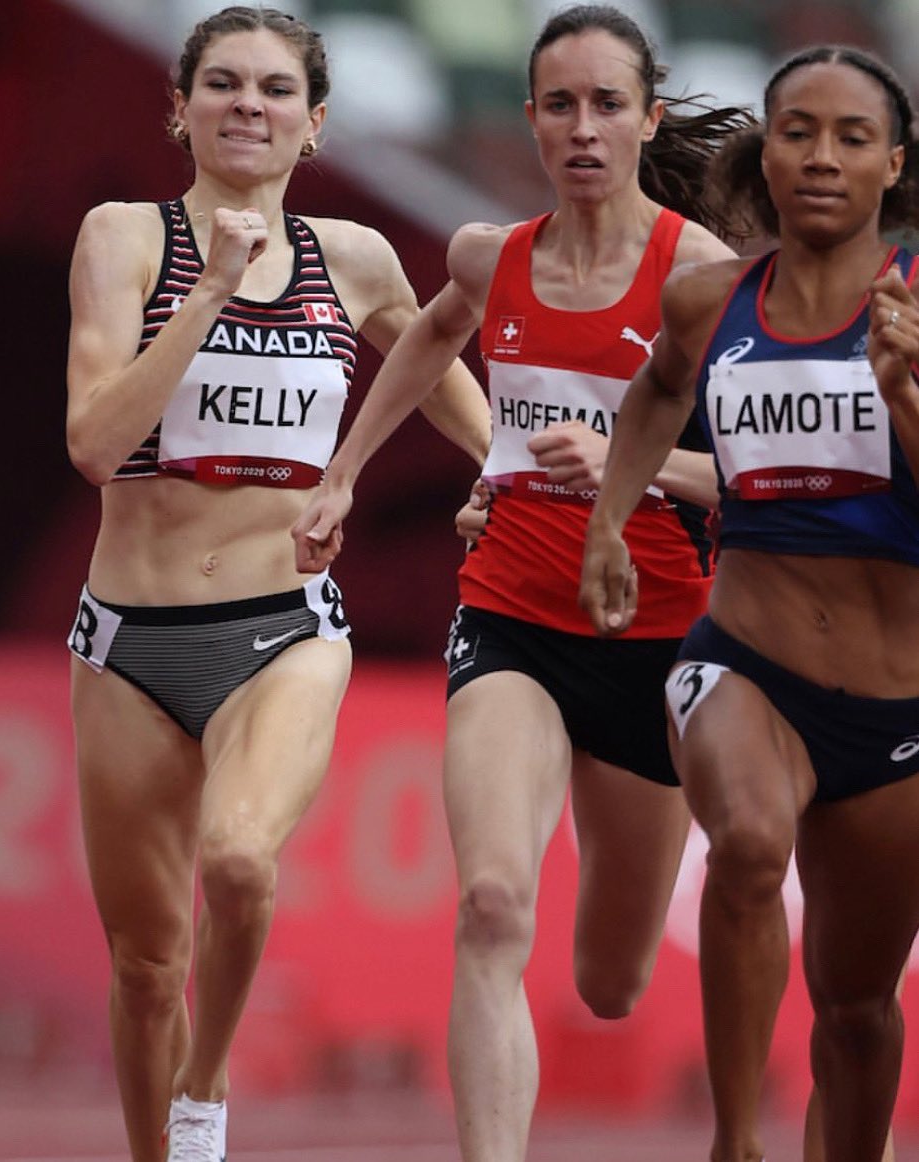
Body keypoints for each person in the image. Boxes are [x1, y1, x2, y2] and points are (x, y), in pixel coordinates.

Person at [293, 7, 751, 1159]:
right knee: (492, 906)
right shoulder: (488, 256)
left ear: (648, 119)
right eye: (559, 105)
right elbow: (429, 334)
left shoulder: (701, 278)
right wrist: (343, 472)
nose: (582, 129)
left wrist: (629, 462)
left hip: (657, 644)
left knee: (609, 977)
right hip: (512, 620)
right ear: (531, 120)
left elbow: (762, 478)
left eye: (606, 105)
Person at [63, 8, 490, 1162]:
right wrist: (206, 292)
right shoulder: (122, 238)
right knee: (149, 964)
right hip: (126, 642)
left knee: (241, 860)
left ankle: (207, 1087)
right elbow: (97, 445)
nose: (247, 103)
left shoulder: (352, 258)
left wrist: (500, 467)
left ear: (314, 124)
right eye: (223, 83)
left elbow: (429, 349)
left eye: (274, 88)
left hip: (281, 626)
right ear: (181, 106)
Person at [580, 42, 919, 1162]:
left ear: (892, 165)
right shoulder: (705, 301)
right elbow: (650, 400)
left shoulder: (916, 305)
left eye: (851, 138)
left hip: (893, 706)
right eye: (797, 132)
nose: (821, 157)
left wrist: (906, 395)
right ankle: (734, 1141)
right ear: (763, 155)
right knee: (748, 844)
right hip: (744, 659)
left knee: (859, 1013)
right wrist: (607, 528)